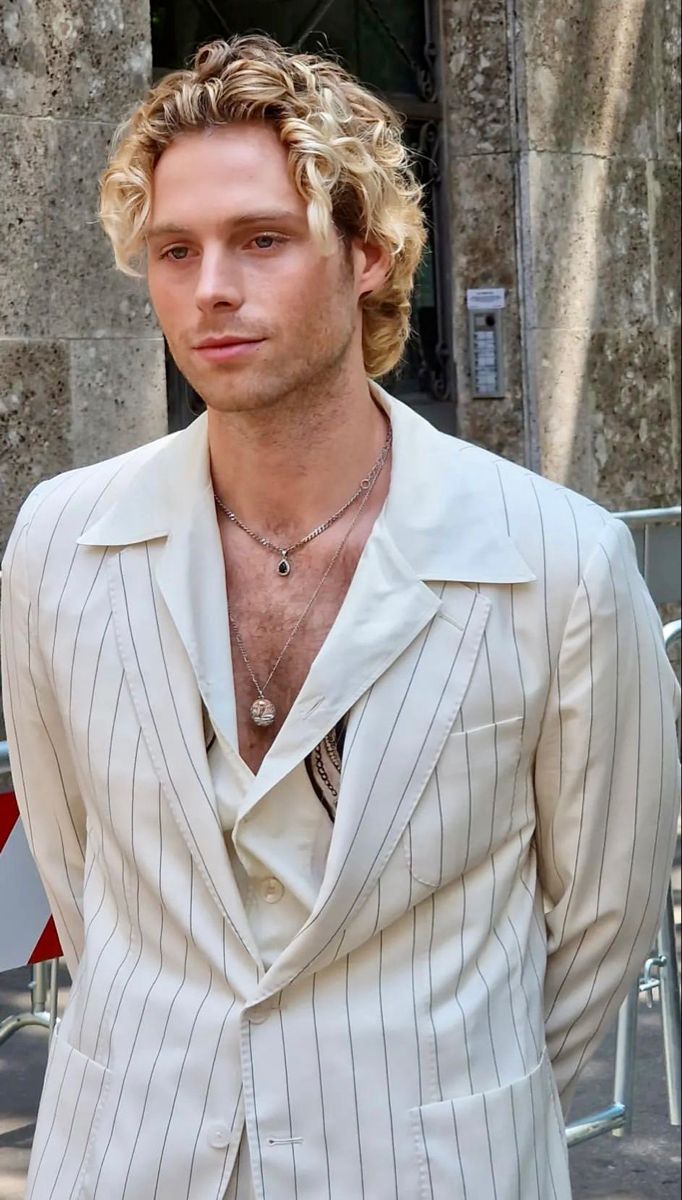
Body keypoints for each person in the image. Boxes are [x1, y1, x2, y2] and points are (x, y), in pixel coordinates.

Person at [1, 33, 679, 1200]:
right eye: (174, 249)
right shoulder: (62, 542)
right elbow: (78, 867)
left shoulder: (560, 561)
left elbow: (602, 920)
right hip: (129, 1156)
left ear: (369, 254)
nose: (211, 287)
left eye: (261, 240)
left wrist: (441, 1094)